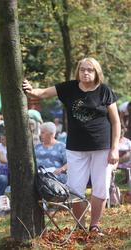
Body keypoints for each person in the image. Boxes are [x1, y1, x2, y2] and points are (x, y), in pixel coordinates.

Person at [23, 57, 120, 234]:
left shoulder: (105, 91)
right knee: (75, 189)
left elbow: (116, 122)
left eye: (90, 69)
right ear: (78, 71)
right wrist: (30, 89)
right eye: (83, 69)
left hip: (102, 147)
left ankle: (94, 226)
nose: (86, 72)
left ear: (96, 71)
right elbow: (42, 93)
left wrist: (114, 149)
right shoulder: (69, 88)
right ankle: (80, 226)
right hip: (76, 148)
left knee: (100, 187)